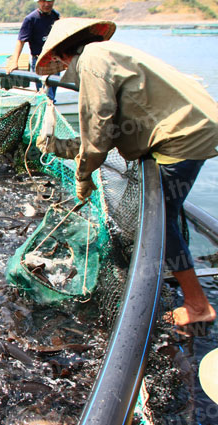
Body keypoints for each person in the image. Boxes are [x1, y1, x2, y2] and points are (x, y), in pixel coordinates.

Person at [34, 18, 218, 326]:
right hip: (195, 125)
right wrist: (57, 147)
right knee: (160, 216)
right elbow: (108, 132)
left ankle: (198, 305)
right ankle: (184, 289)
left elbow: (98, 129)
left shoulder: (91, 63)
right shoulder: (109, 54)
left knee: (160, 219)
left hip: (185, 136)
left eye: (61, 66)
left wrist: (82, 177)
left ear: (62, 56)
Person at [5, 0, 60, 102]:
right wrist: (14, 61)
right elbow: (21, 41)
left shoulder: (55, 16)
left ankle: (49, 114)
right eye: (43, 2)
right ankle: (46, 116)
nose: (47, 5)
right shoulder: (31, 19)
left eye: (49, 1)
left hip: (55, 61)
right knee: (46, 97)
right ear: (39, 2)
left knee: (52, 95)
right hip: (40, 61)